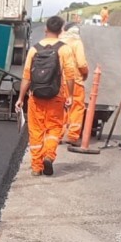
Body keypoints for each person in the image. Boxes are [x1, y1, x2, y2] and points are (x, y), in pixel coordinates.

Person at [15, 16, 77, 176]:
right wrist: (70, 95)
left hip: (36, 97)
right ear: (61, 30)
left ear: (45, 29)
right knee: (54, 128)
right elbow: (70, 75)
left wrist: (21, 98)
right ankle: (49, 155)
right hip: (56, 96)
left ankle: (36, 167)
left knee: (36, 131)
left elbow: (27, 76)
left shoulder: (34, 49)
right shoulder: (64, 49)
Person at [60, 24, 89, 146]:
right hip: (75, 80)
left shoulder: (60, 42)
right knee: (77, 107)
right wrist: (85, 74)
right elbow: (81, 63)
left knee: (61, 107)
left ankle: (57, 134)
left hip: (60, 81)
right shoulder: (77, 43)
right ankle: (72, 135)